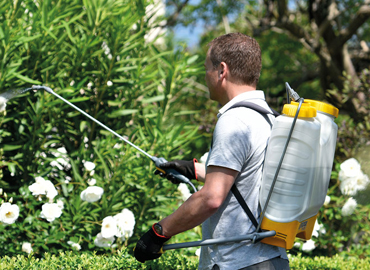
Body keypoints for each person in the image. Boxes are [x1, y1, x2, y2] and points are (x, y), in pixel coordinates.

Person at [134, 33, 289, 270]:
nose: (205, 76)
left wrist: (159, 232)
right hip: (270, 259)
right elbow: (250, 177)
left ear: (222, 71)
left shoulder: (235, 120)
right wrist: (194, 170)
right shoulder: (268, 117)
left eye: (206, 68)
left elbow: (211, 198)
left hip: (239, 262)